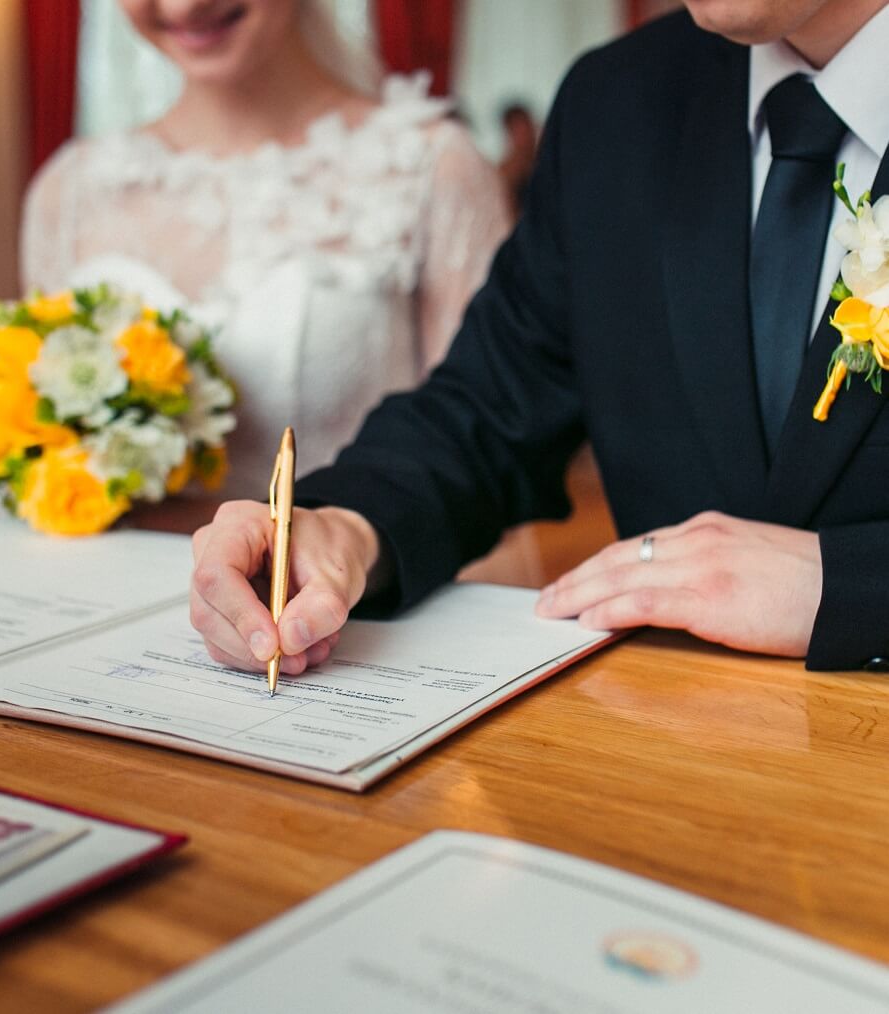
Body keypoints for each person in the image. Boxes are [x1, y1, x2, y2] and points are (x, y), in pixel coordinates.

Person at [191, 0, 889, 677]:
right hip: (661, 736)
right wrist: (344, 527)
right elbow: (490, 407)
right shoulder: (616, 99)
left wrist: (850, 588)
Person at [21, 0, 509, 514]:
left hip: (335, 589)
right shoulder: (69, 190)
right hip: (106, 590)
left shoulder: (432, 166)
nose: (182, 6)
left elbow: (478, 462)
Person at [497, 102, 538, 217]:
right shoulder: (507, 172)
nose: (525, 136)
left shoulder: (544, 162)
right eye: (519, 131)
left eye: (527, 128)